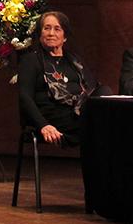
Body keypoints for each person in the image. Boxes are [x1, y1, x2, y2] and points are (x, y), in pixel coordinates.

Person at [18, 11, 110, 147]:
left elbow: (92, 88)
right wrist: (43, 125)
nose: (51, 33)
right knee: (103, 128)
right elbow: (25, 97)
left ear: (65, 36)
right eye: (46, 28)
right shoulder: (31, 60)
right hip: (52, 118)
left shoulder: (75, 60)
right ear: (40, 33)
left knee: (104, 92)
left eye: (57, 29)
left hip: (78, 114)